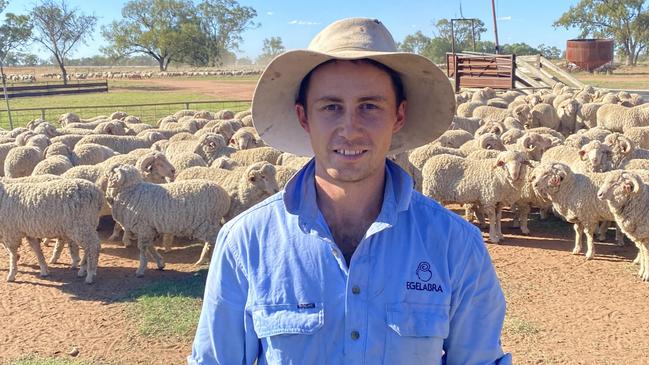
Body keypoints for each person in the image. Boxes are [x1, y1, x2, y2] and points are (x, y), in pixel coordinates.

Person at [189, 17, 511, 364]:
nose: (350, 128)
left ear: (398, 116)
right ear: (304, 117)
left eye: (369, 106)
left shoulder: (455, 246)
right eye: (331, 107)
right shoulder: (246, 242)